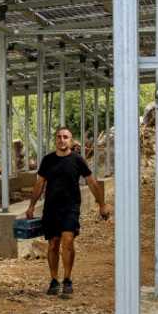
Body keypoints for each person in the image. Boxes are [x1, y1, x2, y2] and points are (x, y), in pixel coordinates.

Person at [25, 127, 110, 299]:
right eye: (59, 137)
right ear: (55, 140)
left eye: (65, 137)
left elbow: (92, 182)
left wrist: (102, 204)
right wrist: (31, 205)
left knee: (68, 241)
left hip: (70, 208)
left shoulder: (77, 160)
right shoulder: (48, 160)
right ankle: (54, 280)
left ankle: (67, 279)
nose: (62, 140)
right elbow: (40, 183)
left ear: (71, 141)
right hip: (51, 208)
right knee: (53, 244)